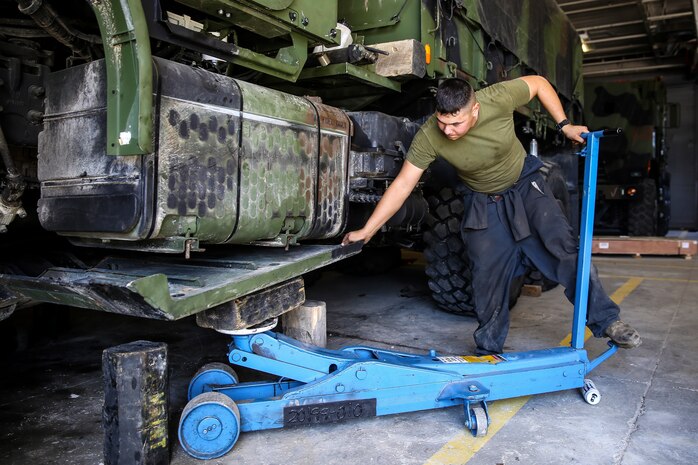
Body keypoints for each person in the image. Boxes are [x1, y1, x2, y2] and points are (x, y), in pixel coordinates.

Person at [342, 75, 642, 355]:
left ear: (475, 109)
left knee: (564, 249)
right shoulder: (430, 136)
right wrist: (368, 229)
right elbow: (403, 184)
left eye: (456, 123)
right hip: (483, 200)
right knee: (486, 275)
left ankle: (606, 320)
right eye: (442, 122)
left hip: (525, 185)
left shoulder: (496, 98)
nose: (448, 131)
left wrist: (564, 125)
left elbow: (537, 83)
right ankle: (488, 348)